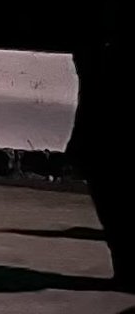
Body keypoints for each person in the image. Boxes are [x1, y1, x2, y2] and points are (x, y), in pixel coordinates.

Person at [66, 33, 134, 293]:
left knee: (114, 211)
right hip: (104, 145)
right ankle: (126, 270)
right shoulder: (98, 68)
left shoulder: (99, 70)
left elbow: (89, 108)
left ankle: (126, 269)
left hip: (105, 145)